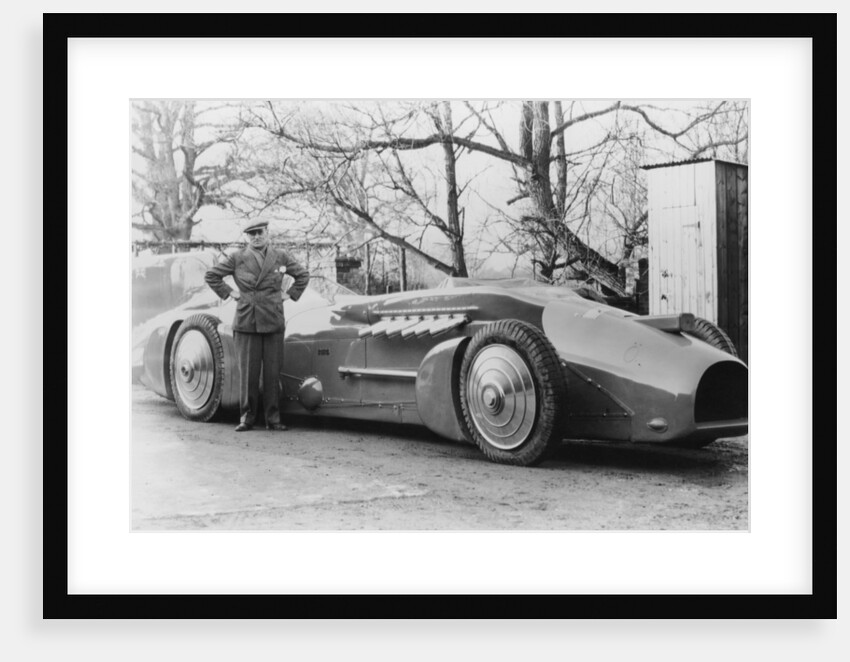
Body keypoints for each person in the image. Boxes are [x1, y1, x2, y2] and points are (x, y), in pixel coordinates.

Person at [204, 220, 310, 432]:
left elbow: (303, 275)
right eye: (251, 234)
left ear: (267, 232)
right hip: (247, 321)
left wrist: (289, 295)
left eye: (259, 232)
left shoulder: (280, 256)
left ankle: (273, 418)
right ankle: (247, 418)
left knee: (272, 373)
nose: (256, 237)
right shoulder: (237, 257)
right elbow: (211, 275)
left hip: (273, 319)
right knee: (248, 374)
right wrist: (231, 293)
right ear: (247, 237)